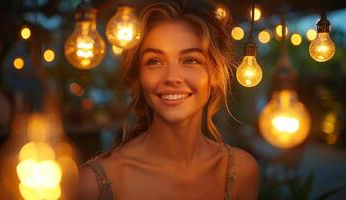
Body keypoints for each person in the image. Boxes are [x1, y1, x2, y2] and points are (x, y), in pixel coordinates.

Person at [76, 0, 259, 199]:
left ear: (215, 74)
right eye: (154, 61)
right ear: (139, 77)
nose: (172, 77)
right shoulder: (93, 183)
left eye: (190, 60)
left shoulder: (241, 171)